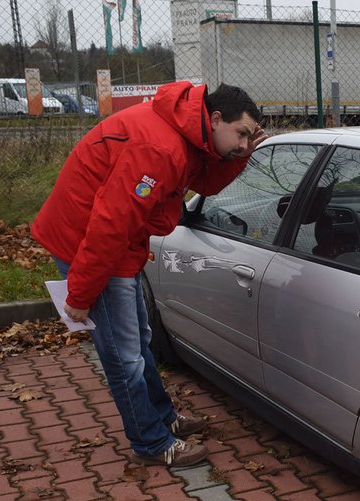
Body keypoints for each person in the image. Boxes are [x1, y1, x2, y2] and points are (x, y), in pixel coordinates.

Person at [31, 82, 268, 468]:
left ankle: (162, 418)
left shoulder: (188, 134)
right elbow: (110, 224)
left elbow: (203, 182)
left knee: (139, 342)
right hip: (91, 248)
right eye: (240, 134)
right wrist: (79, 294)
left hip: (115, 245)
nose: (243, 144)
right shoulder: (159, 148)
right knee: (124, 356)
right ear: (216, 118)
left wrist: (239, 157)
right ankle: (151, 443)